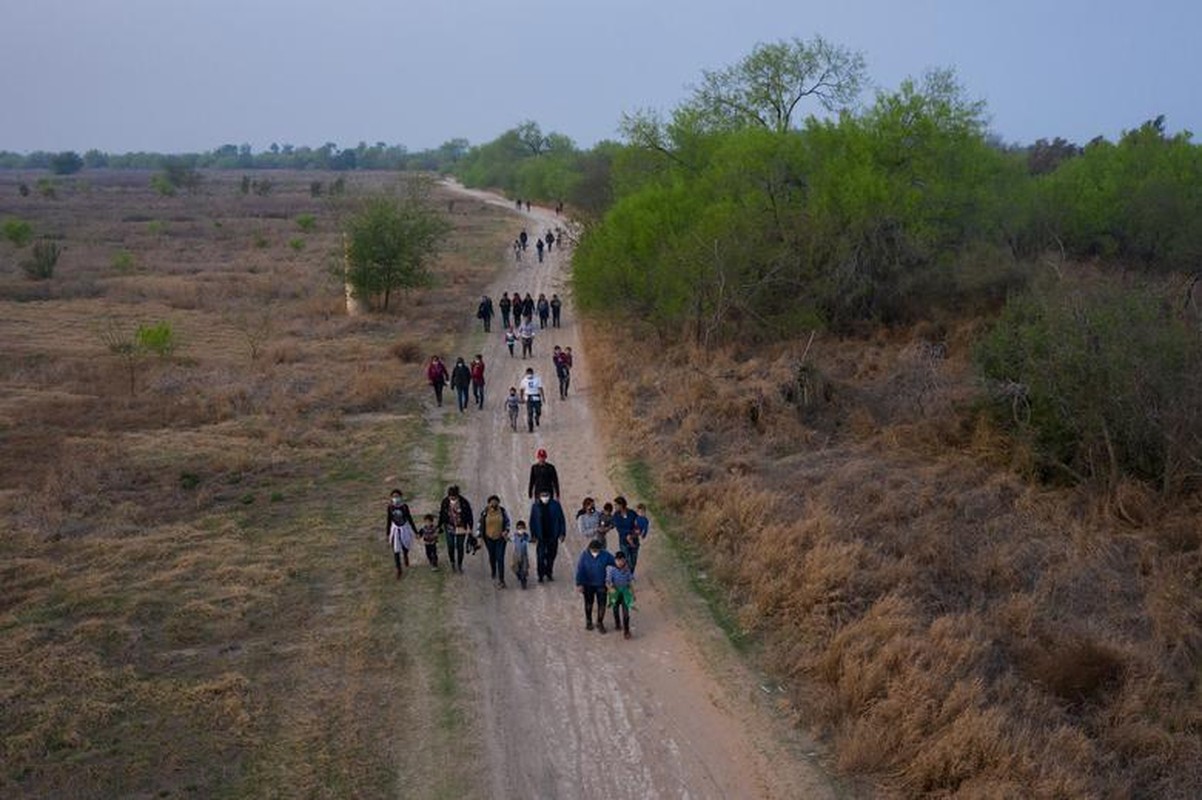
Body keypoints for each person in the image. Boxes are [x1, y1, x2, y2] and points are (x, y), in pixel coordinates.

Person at [575, 538, 615, 632]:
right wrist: (579, 583)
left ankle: (600, 622)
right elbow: (580, 570)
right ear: (589, 549)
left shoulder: (605, 555)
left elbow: (615, 563)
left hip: (601, 584)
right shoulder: (584, 556)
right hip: (588, 584)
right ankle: (589, 621)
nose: (595, 552)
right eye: (593, 550)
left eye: (597, 550)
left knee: (602, 604)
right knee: (588, 604)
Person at [529, 490, 566, 583]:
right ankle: (540, 575)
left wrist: (562, 533)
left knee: (551, 556)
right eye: (543, 495)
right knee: (540, 557)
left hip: (553, 536)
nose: (545, 497)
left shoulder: (556, 505)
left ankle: (549, 573)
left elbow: (561, 519)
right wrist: (533, 535)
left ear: (550, 496)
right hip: (541, 536)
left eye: (546, 495)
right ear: (539, 496)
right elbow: (532, 521)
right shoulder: (535, 506)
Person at [438, 485, 474, 574]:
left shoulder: (464, 502)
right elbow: (442, 514)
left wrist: (470, 527)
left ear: (457, 496)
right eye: (451, 497)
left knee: (460, 546)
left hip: (461, 527)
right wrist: (439, 525)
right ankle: (452, 562)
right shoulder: (445, 502)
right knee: (450, 546)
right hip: (449, 527)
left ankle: (460, 564)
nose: (452, 498)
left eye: (454, 497)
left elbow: (469, 515)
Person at [477, 495, 511, 588]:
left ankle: (501, 580)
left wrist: (506, 531)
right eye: (492, 502)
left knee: (500, 558)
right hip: (489, 538)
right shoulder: (485, 512)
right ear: (489, 503)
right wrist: (479, 537)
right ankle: (493, 570)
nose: (494, 504)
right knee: (492, 556)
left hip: (500, 538)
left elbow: (508, 522)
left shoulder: (502, 512)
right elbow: (480, 524)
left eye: (495, 502)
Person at [386, 489, 416, 579]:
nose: (396, 498)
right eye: (394, 497)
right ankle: (399, 570)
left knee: (405, 545)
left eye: (397, 496)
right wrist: (387, 533)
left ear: (401, 497)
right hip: (395, 529)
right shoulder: (390, 507)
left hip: (404, 528)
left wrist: (415, 531)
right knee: (396, 550)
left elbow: (409, 518)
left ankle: (406, 555)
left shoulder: (404, 507)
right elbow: (389, 520)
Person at [607, 551, 636, 638]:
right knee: (615, 609)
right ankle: (618, 624)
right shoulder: (611, 570)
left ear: (625, 560)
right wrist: (610, 588)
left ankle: (626, 631)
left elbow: (630, 582)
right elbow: (607, 582)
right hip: (615, 592)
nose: (620, 563)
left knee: (626, 613)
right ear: (615, 560)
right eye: (618, 560)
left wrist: (633, 594)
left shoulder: (627, 570)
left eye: (622, 560)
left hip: (625, 593)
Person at [611, 496, 639, 564]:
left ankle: (630, 574)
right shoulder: (616, 515)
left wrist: (634, 533)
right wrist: (629, 532)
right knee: (626, 562)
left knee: (633, 562)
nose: (615, 506)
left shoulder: (632, 513)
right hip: (624, 542)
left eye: (616, 505)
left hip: (634, 540)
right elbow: (619, 529)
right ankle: (627, 574)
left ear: (621, 505)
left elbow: (637, 524)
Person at [519, 367, 543, 432]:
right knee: (530, 413)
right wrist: (521, 398)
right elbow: (521, 389)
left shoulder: (537, 379)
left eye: (530, 373)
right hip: (528, 397)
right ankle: (530, 427)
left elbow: (540, 388)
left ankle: (537, 417)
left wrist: (543, 397)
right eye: (528, 373)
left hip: (536, 396)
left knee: (538, 411)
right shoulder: (524, 380)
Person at [630, 502, 650, 574]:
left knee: (634, 553)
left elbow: (646, 528)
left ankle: (631, 572)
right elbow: (631, 524)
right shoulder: (636, 518)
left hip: (636, 535)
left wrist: (644, 534)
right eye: (640, 512)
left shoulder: (645, 520)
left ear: (645, 512)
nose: (641, 513)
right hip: (631, 532)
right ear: (637, 512)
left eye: (643, 512)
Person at [510, 519, 531, 589]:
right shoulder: (515, 536)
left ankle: (523, 581)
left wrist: (534, 540)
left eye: (522, 528)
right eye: (519, 528)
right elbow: (510, 539)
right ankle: (519, 575)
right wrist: (505, 537)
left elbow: (530, 540)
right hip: (516, 555)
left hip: (524, 555)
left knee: (524, 569)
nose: (520, 530)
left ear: (524, 528)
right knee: (515, 568)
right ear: (516, 529)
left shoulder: (526, 536)